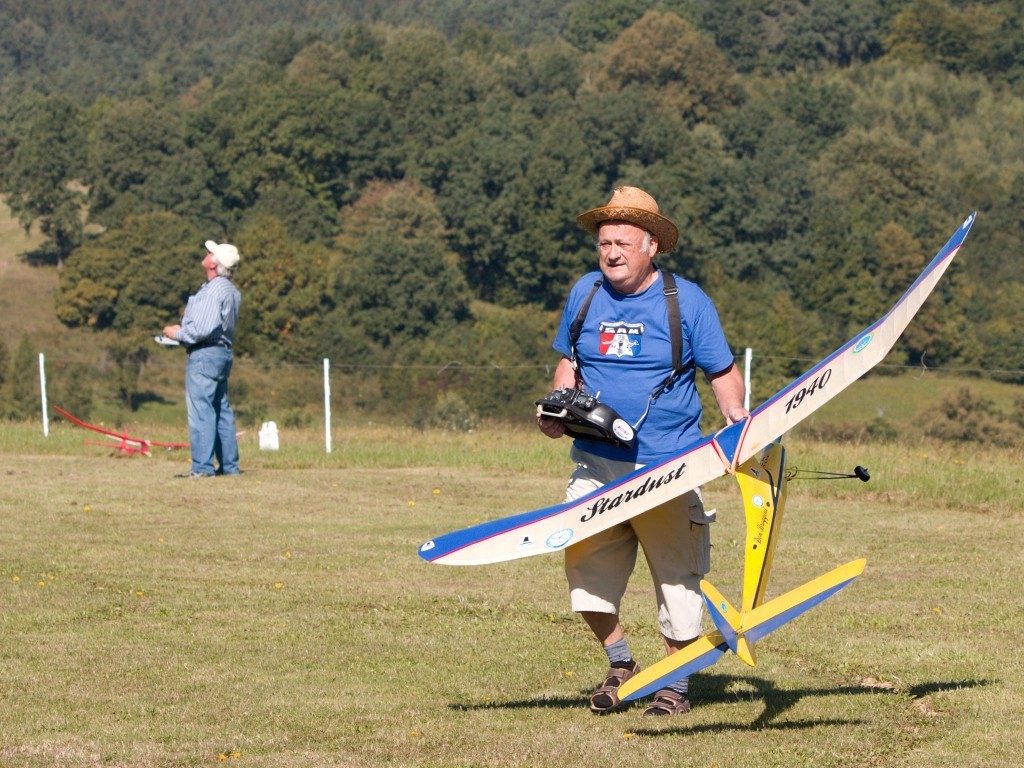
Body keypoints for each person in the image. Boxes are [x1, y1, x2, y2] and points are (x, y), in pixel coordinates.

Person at [536, 186, 748, 716]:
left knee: (677, 581)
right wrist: (556, 410)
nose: (611, 253)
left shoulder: (688, 301)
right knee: (585, 578)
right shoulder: (585, 292)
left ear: (651, 245)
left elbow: (722, 373)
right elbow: (570, 363)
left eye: (623, 243)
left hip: (668, 467)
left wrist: (738, 422)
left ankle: (674, 684)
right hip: (595, 463)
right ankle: (622, 663)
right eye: (605, 243)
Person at [163, 240, 243, 478]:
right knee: (222, 409)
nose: (207, 254)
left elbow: (203, 329)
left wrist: (177, 333)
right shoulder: (231, 290)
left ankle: (202, 468)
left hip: (205, 353)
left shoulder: (214, 289)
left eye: (211, 253)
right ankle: (230, 467)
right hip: (222, 353)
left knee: (201, 411)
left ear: (214, 263)